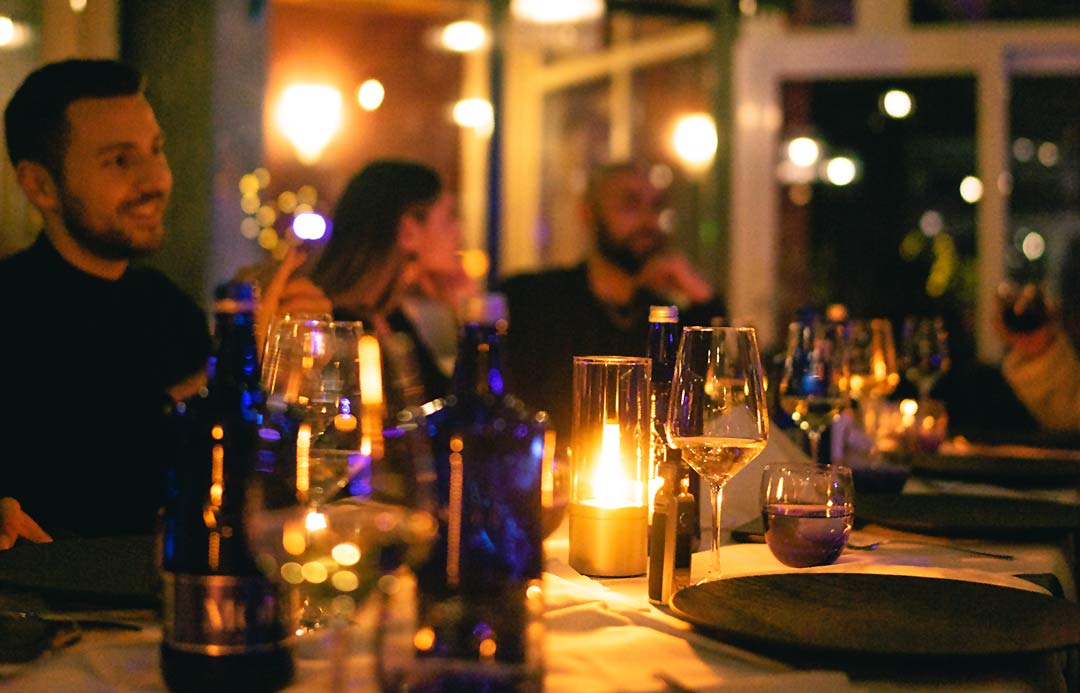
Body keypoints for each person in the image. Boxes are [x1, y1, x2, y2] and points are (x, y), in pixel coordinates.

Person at [0, 59, 329, 549]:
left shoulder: (165, 306)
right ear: (40, 186)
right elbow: (85, 477)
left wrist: (285, 362)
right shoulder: (12, 309)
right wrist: (230, 359)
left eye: (156, 150)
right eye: (119, 160)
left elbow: (235, 482)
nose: (156, 180)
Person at [498, 161, 726, 441]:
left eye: (655, 207)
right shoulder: (533, 299)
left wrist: (700, 292)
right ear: (588, 214)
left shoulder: (664, 319)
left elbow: (717, 393)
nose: (647, 221)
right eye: (630, 205)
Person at [308, 159, 476, 406]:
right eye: (449, 218)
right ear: (408, 232)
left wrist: (462, 313)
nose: (460, 232)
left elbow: (450, 406)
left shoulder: (391, 319)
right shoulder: (331, 325)